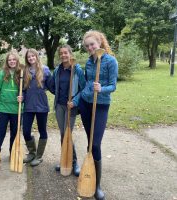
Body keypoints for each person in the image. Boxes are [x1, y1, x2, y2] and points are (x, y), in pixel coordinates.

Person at [79, 30, 118, 200]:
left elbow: (113, 85)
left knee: (95, 144)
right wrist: (85, 92)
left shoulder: (110, 61)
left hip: (101, 105)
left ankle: (98, 184)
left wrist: (101, 88)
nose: (90, 48)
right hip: (86, 103)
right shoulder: (89, 62)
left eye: (92, 44)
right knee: (89, 142)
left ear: (100, 42)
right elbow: (88, 81)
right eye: (87, 46)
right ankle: (90, 173)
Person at [50, 44, 86, 176]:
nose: (63, 55)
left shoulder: (77, 70)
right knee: (62, 134)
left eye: (66, 53)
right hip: (59, 105)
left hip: (71, 107)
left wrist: (75, 101)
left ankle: (74, 162)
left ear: (70, 54)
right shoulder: (58, 69)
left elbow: (84, 88)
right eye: (61, 53)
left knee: (67, 133)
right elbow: (54, 85)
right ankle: (64, 159)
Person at [19, 48, 52, 166]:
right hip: (28, 105)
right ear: (27, 59)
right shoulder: (24, 71)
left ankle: (39, 156)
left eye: (33, 56)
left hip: (42, 106)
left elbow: (51, 86)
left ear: (36, 56)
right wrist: (21, 96)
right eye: (29, 57)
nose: (31, 58)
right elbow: (22, 89)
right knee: (26, 130)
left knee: (42, 130)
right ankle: (32, 152)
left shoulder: (45, 70)